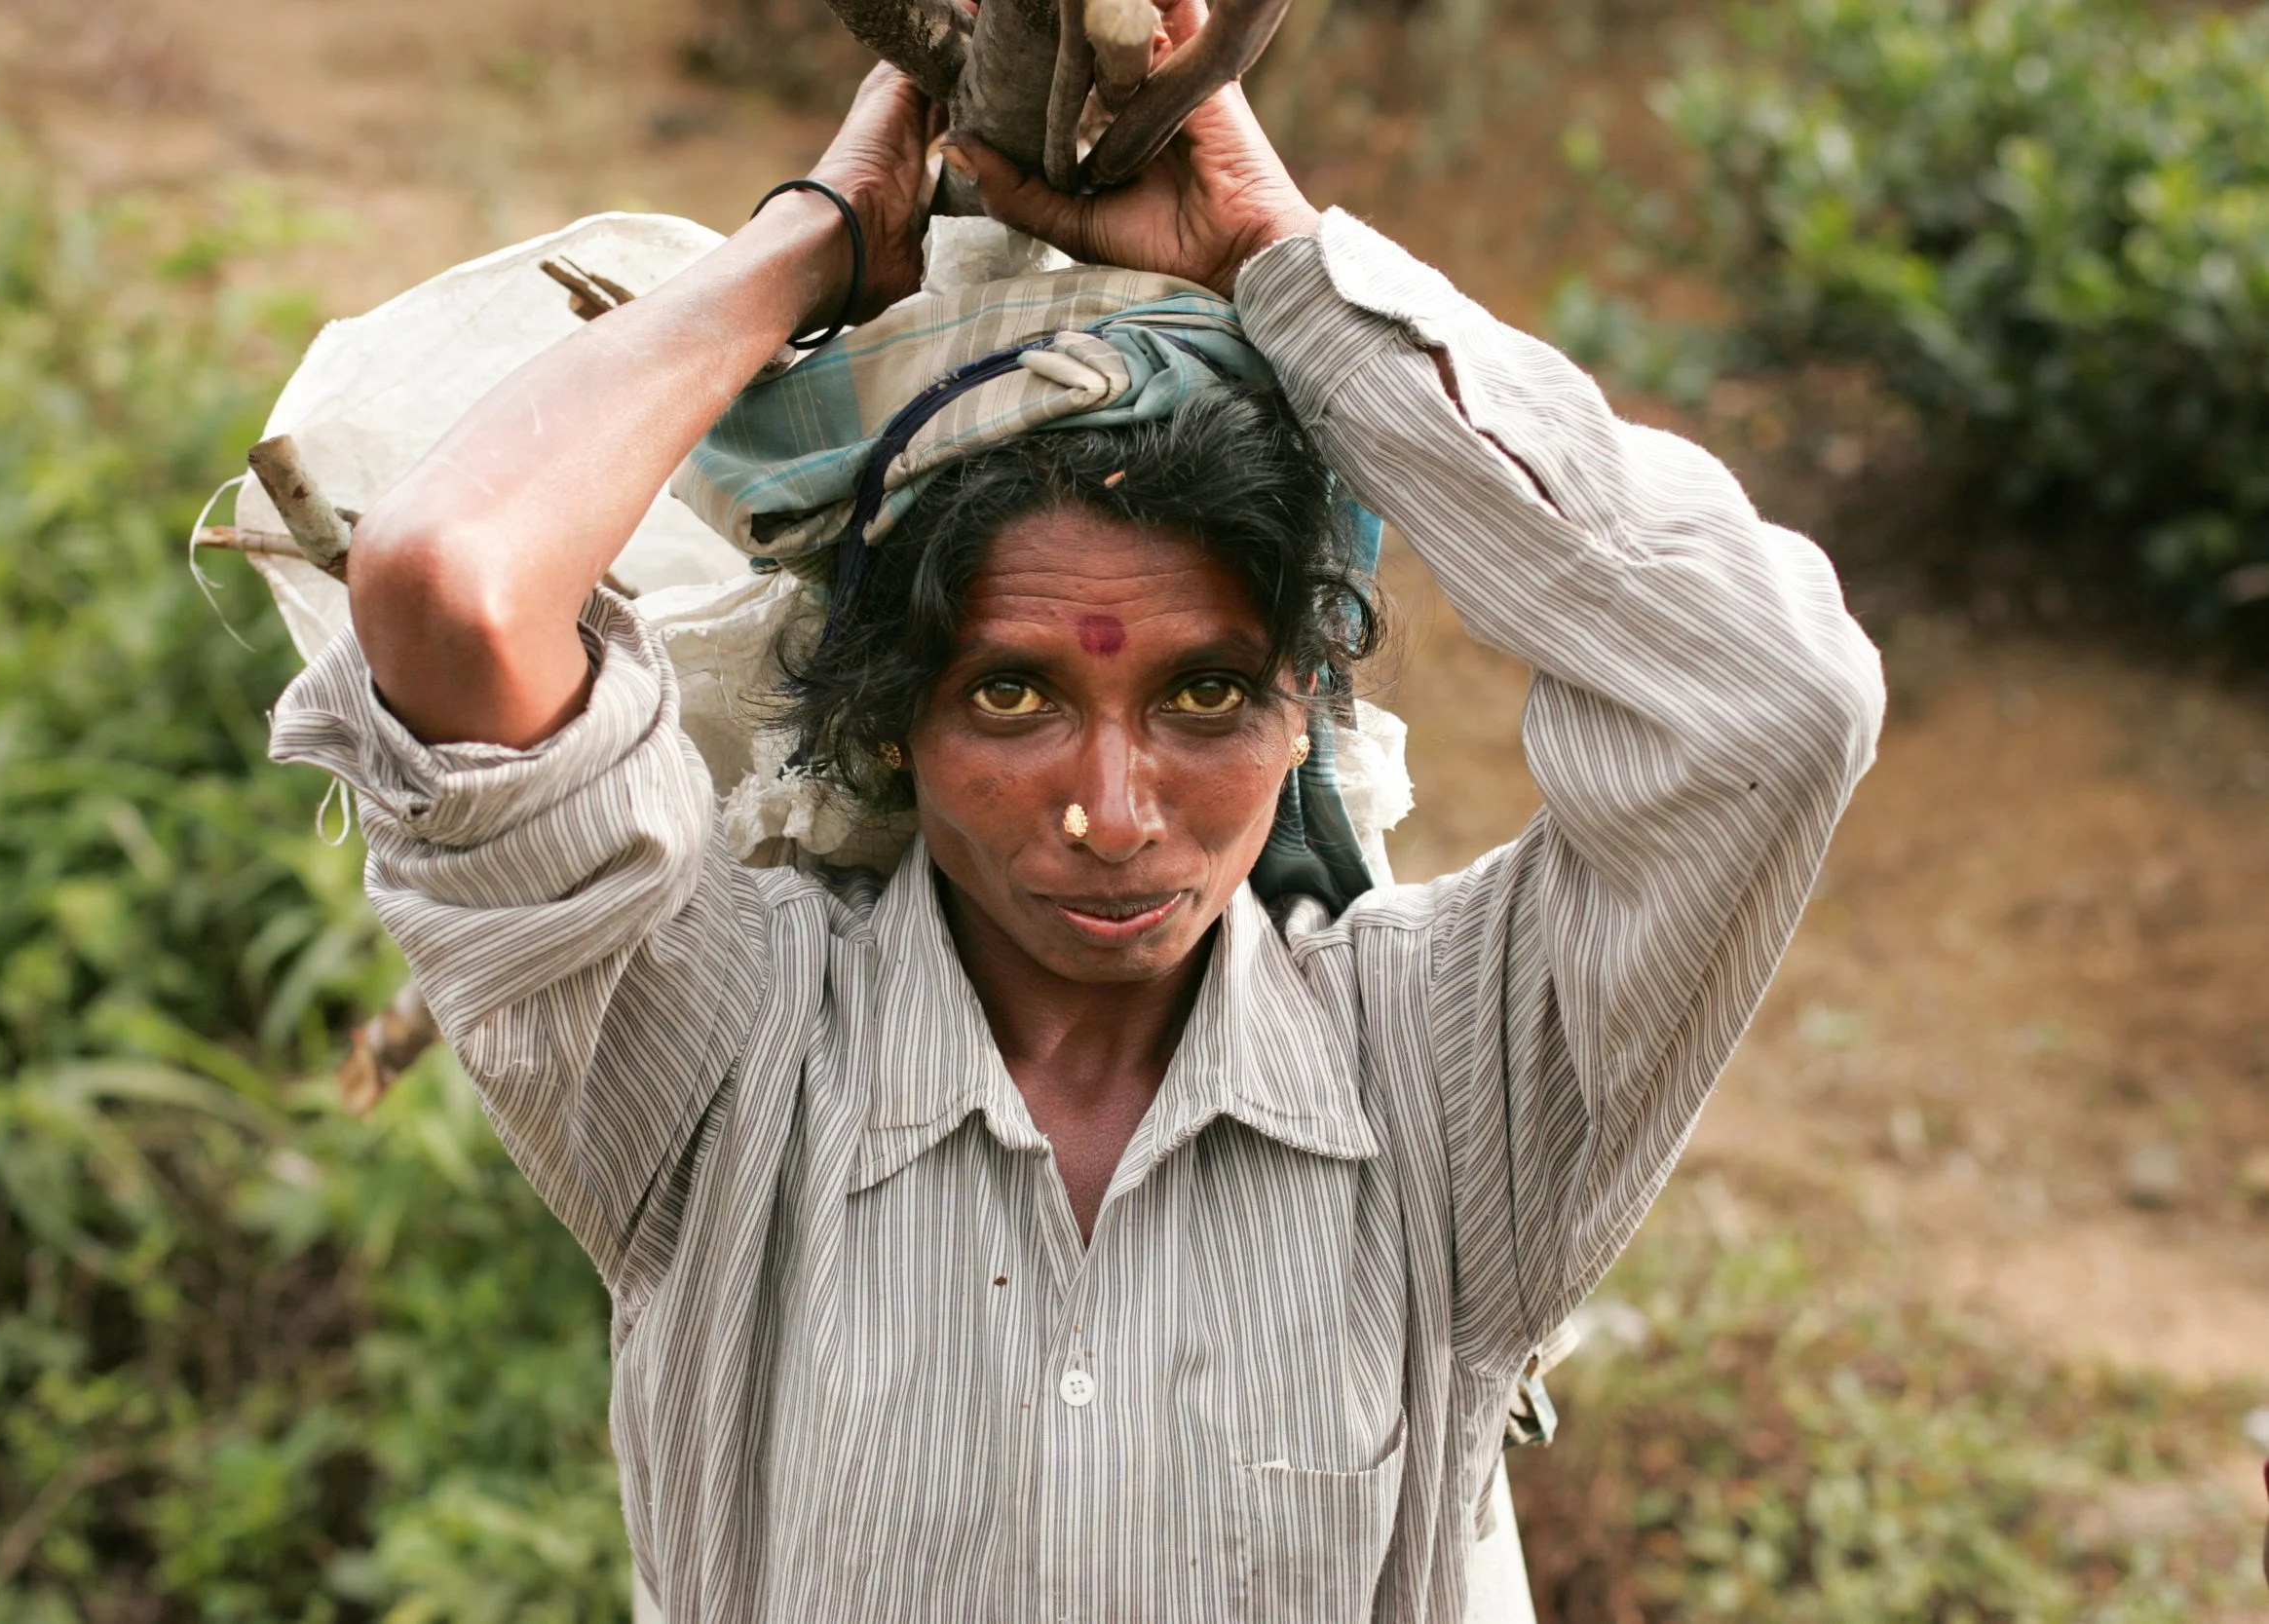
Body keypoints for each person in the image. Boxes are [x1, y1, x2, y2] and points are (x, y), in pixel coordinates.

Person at [267, 33, 1884, 1622]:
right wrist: (821, 234)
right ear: (891, 711)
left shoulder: (1448, 1090)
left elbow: (1771, 700)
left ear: (1307, 701)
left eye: (1204, 698)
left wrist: (1286, 266)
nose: (1114, 821)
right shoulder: (720, 1063)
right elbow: (448, 584)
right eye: (1014, 698)